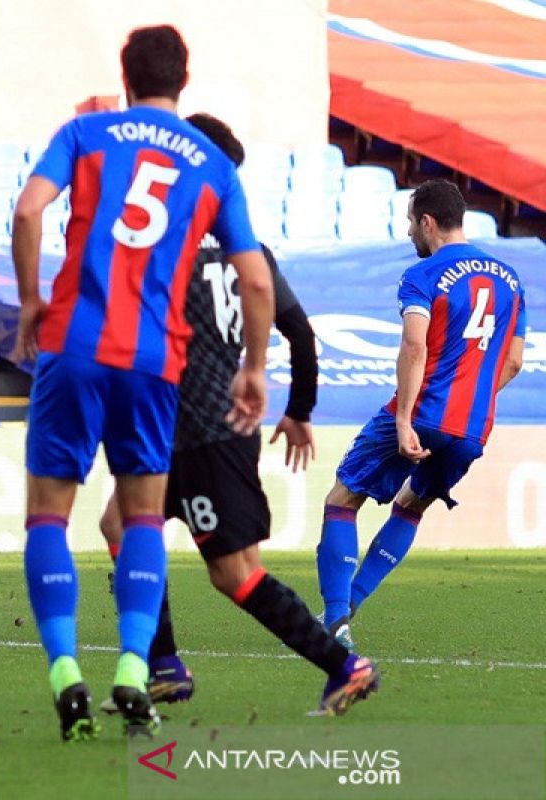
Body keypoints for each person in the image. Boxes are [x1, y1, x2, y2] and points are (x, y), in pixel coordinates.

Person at [11, 25, 275, 742]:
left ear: (124, 76)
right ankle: (134, 665)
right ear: (183, 81)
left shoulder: (86, 132)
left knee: (48, 517)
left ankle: (65, 670)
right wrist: (253, 365)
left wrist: (32, 300)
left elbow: (30, 209)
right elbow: (255, 278)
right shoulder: (213, 164)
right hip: (154, 360)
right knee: (143, 516)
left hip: (74, 344)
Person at [96, 113, 380, 720]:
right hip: (182, 433)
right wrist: (299, 409)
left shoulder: (161, 248)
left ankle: (344, 665)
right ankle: (166, 666)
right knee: (121, 527)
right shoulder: (249, 254)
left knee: (235, 574)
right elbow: (301, 334)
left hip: (203, 437)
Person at [316, 178, 525, 647]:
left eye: (412, 222)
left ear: (427, 222)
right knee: (411, 508)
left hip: (423, 411)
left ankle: (334, 619)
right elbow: (512, 361)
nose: (410, 231)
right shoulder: (510, 280)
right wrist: (473, 399)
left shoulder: (425, 275)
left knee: (341, 500)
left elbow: (414, 346)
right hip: (473, 428)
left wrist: (406, 418)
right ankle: (345, 608)